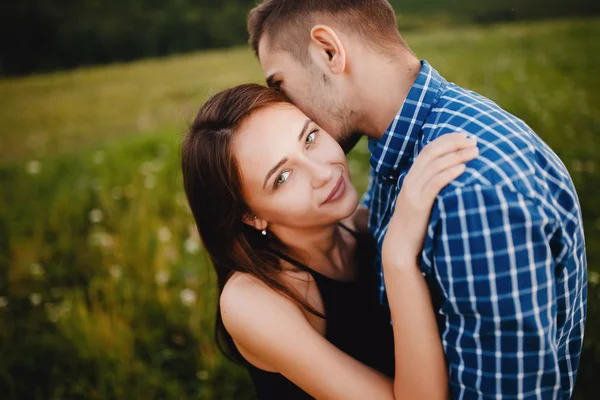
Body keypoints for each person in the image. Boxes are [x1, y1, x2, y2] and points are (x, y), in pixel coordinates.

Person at [247, 0, 588, 398]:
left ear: (328, 51)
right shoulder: (404, 144)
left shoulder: (471, 191)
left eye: (280, 85)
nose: (286, 109)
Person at [181, 83, 479, 399]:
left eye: (310, 138)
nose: (322, 172)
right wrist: (398, 258)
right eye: (282, 177)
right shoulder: (251, 301)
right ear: (251, 216)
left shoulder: (363, 224)